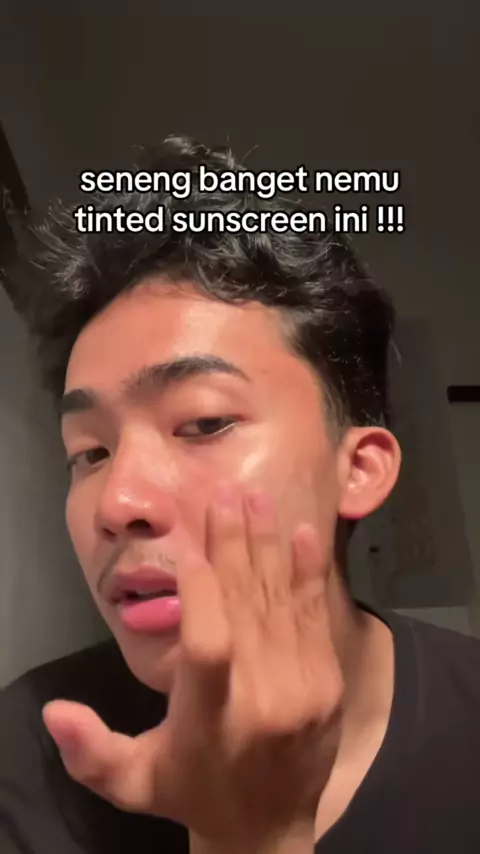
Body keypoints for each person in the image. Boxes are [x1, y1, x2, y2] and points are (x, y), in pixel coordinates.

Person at [1, 135, 479, 854]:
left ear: (359, 469)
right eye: (89, 453)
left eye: (203, 423)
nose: (117, 503)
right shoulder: (28, 755)